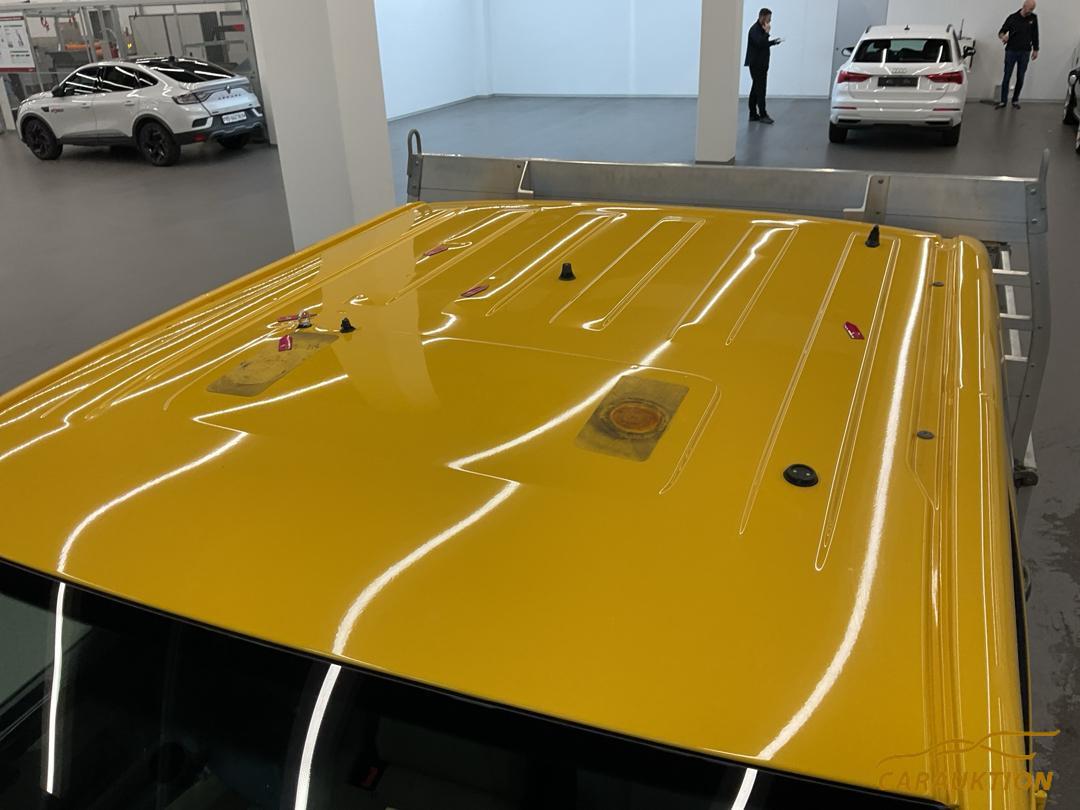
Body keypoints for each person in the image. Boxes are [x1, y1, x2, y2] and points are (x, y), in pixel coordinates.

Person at [996, 0, 1040, 110]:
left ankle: (1015, 100)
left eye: (1032, 9)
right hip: (1011, 51)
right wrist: (1003, 37)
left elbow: (1035, 34)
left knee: (1020, 77)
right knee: (1007, 76)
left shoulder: (1033, 18)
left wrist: (1036, 49)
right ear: (1024, 6)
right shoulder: (1012, 18)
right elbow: (1001, 32)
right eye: (1029, 9)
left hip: (1025, 52)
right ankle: (1003, 101)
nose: (1030, 11)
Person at [745, 8, 783, 124]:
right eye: (768, 18)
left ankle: (753, 114)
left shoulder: (760, 29)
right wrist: (767, 32)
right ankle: (763, 114)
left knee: (756, 89)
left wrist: (773, 42)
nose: (770, 21)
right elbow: (760, 43)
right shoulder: (754, 30)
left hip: (761, 64)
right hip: (756, 64)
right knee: (761, 90)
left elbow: (763, 44)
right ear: (762, 17)